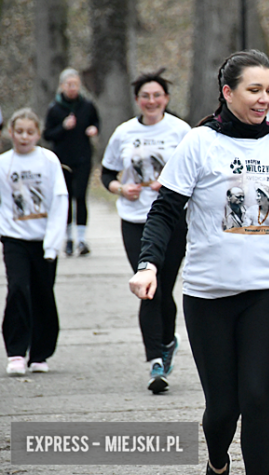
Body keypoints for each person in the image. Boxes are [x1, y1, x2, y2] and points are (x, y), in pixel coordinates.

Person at [128, 50, 269, 475]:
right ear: (228, 92)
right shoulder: (199, 142)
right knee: (223, 409)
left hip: (265, 292)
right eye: (254, 90)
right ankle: (218, 461)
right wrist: (149, 264)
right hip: (208, 294)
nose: (264, 98)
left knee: (258, 397)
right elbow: (165, 211)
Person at [100, 69, 190, 394]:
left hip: (172, 221)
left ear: (166, 99)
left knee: (164, 289)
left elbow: (196, 173)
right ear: (137, 100)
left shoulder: (181, 131)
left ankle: (168, 341)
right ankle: (155, 362)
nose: (151, 101)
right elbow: (107, 173)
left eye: (157, 95)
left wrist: (168, 184)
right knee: (147, 287)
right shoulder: (124, 132)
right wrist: (121, 189)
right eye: (145, 96)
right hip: (135, 220)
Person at [1, 108, 68, 376]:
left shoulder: (48, 161)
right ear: (11, 133)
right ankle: (16, 351)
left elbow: (59, 200)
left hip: (43, 240)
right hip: (14, 237)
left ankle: (40, 353)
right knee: (17, 289)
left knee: (42, 293)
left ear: (38, 134)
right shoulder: (4, 163)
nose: (24, 137)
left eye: (30, 132)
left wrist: (52, 244)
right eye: (19, 132)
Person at [43, 68, 100, 257]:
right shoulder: (55, 108)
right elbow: (47, 134)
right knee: (65, 198)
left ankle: (82, 239)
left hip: (83, 158)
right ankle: (68, 239)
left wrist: (93, 129)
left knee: (81, 196)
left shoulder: (87, 105)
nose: (73, 88)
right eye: (69, 84)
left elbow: (96, 122)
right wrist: (63, 127)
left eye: (76, 84)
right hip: (62, 160)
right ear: (62, 86)